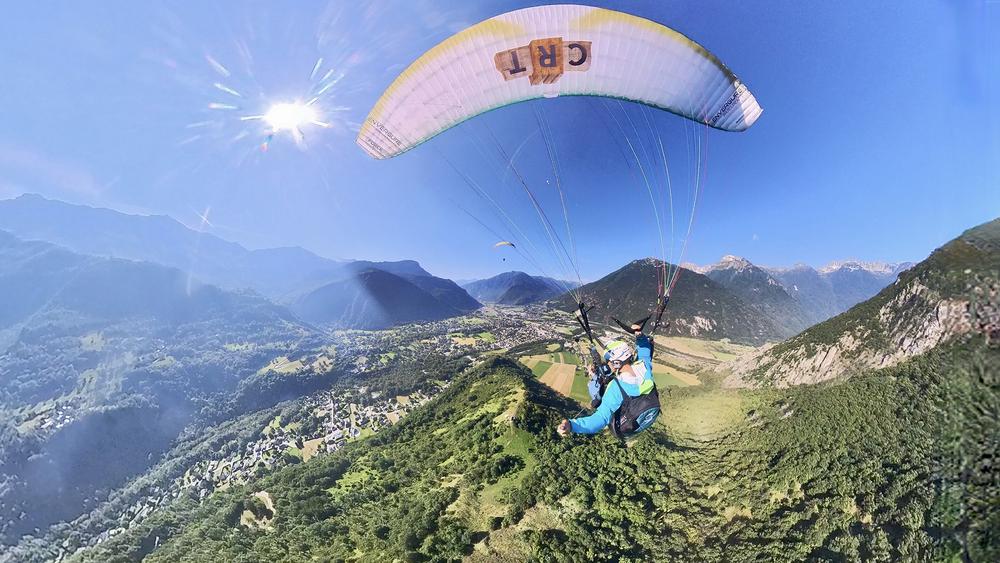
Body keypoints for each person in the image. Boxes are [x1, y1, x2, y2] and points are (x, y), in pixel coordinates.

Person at [557, 329, 656, 437]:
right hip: (649, 411)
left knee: (600, 399)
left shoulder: (616, 388)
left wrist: (572, 426)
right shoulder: (643, 366)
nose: (607, 363)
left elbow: (600, 419)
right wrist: (640, 337)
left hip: (626, 425)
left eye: (609, 360)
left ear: (617, 362)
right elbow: (645, 352)